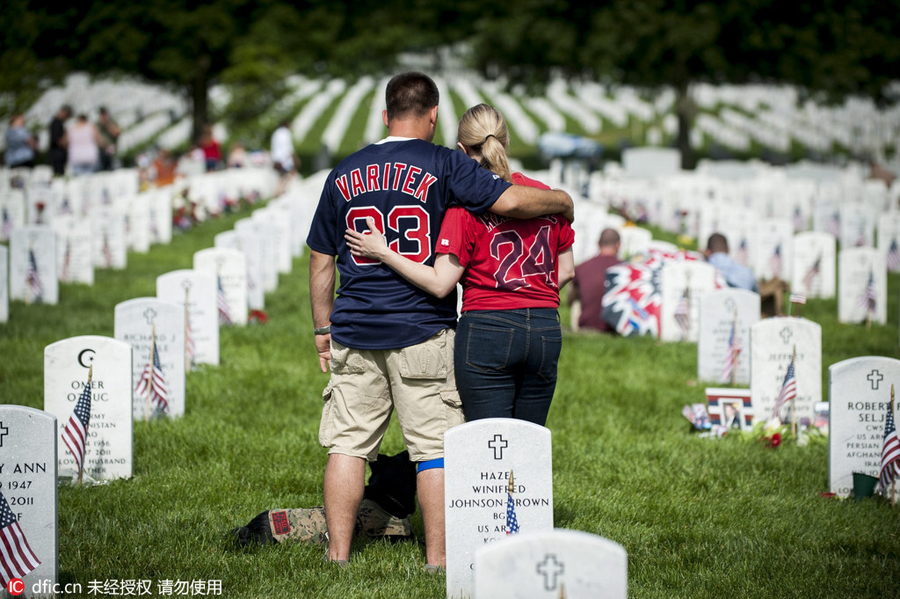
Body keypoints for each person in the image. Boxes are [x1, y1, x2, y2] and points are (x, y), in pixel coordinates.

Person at [307, 72, 573, 569]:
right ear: (433, 117)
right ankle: (438, 561)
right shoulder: (446, 163)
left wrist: (323, 330)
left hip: (356, 324)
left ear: (385, 115)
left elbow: (321, 259)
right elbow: (511, 201)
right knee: (432, 449)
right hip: (421, 327)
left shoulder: (343, 172)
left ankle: (337, 557)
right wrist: (562, 201)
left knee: (347, 444)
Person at [345, 103, 575, 427]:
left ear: (461, 150)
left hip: (488, 327)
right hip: (545, 328)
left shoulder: (465, 203)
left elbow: (441, 282)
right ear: (506, 142)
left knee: (488, 445)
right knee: (530, 443)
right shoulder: (544, 197)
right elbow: (566, 271)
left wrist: (384, 252)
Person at [567, 228, 622, 332]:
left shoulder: (582, 267)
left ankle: (576, 330)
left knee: (576, 297)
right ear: (618, 245)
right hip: (616, 329)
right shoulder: (626, 269)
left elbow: (570, 299)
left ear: (598, 243)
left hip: (587, 325)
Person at [270, 119, 297, 194]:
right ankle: (281, 191)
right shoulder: (286, 133)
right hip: (285, 158)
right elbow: (288, 147)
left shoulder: (276, 132)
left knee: (281, 176)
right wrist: (294, 158)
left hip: (276, 157)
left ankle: (278, 190)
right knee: (289, 174)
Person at [48, 105, 72, 176]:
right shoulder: (56, 123)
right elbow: (59, 141)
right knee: (59, 177)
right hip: (57, 156)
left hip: (58, 156)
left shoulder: (59, 123)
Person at [96, 107, 120, 171]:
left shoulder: (112, 123)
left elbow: (116, 133)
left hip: (112, 153)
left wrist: (107, 125)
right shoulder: (97, 125)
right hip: (101, 153)